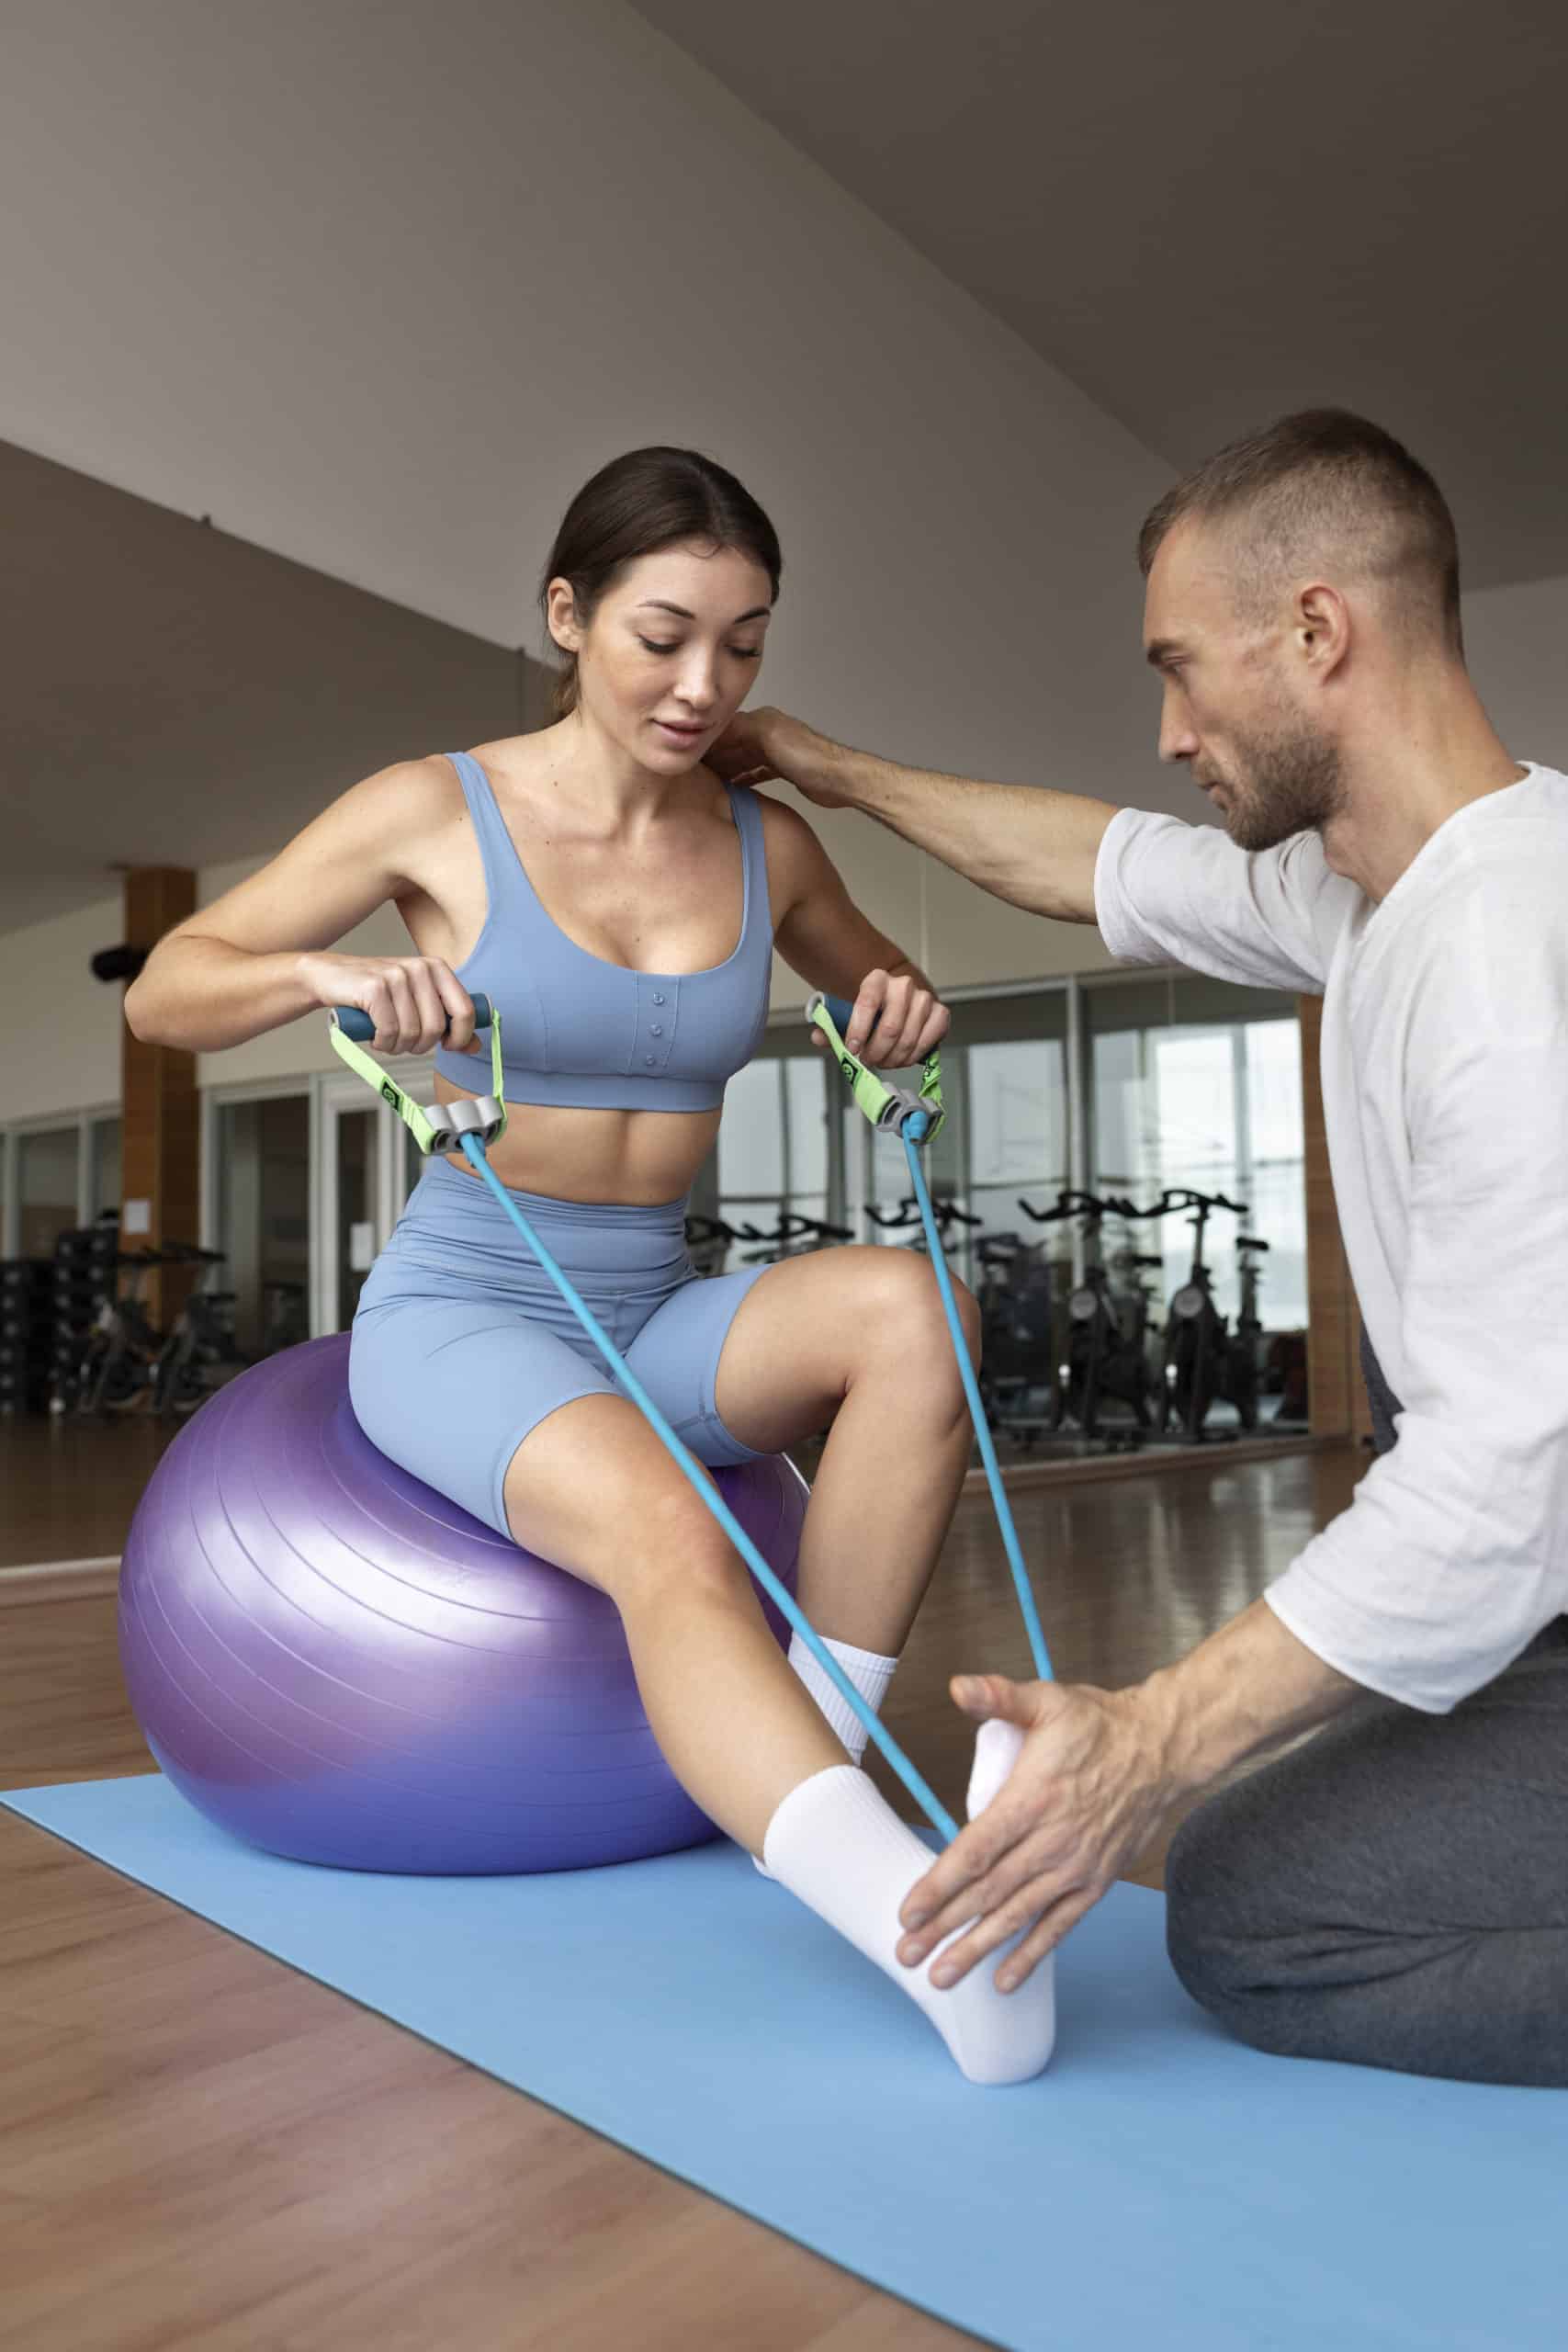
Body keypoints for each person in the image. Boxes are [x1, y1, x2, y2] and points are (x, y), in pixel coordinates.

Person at [124, 446, 1055, 2087]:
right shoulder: (436, 807)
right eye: (663, 634)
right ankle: (931, 1937)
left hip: (655, 1301)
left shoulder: (766, 848)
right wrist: (327, 973)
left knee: (921, 1311)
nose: (705, 685)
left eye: (745, 644)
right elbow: (168, 994)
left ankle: (809, 1788)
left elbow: (884, 1003)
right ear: (568, 615)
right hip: (471, 1307)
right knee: (673, 1535)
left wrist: (899, 1014)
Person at [710, 409, 1568, 2086]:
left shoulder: (1504, 962)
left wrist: (1150, 1740)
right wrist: (826, 768)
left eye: (1184, 670)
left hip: (1544, 1558)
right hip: (1539, 1597)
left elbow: (1505, 1488)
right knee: (1272, 1820)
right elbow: (1093, 863)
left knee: (1252, 1915)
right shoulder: (1374, 889)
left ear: (1318, 631)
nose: (1170, 732)